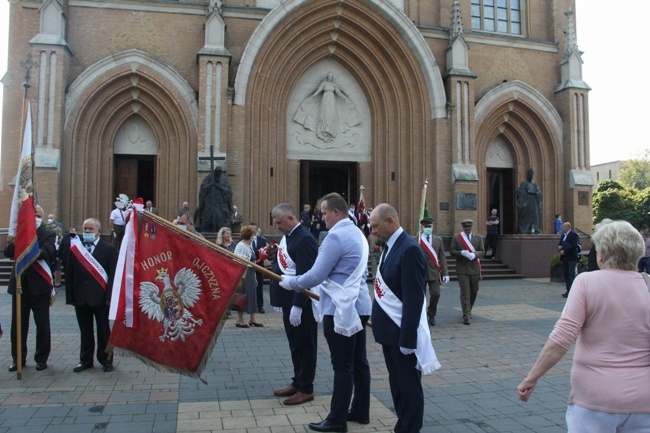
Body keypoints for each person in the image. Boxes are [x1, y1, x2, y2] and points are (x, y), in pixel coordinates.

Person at [517, 220, 650, 433]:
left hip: (595, 397)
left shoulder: (586, 282)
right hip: (643, 401)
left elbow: (561, 340)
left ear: (601, 254)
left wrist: (532, 377)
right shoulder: (647, 284)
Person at [279, 192, 371, 433]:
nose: (321, 218)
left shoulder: (335, 237)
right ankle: (361, 410)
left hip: (340, 308)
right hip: (359, 304)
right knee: (359, 361)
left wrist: (293, 283)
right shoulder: (358, 233)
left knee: (342, 365)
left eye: (323, 213)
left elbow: (317, 275)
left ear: (335, 213)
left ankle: (337, 419)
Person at [370, 204, 441, 433]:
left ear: (390, 222)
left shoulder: (409, 249)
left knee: (409, 387)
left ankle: (410, 428)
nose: (373, 231)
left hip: (403, 335)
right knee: (397, 385)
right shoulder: (389, 246)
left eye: (375, 226)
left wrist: (408, 340)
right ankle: (402, 425)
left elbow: (413, 299)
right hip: (390, 333)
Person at [269, 203, 319, 406]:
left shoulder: (305, 239)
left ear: (291, 218)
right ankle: (298, 382)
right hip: (288, 302)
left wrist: (299, 304)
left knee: (305, 345)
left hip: (301, 304)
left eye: (279, 223)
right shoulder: (289, 237)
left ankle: (306, 388)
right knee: (295, 345)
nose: (277, 227)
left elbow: (305, 276)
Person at [4, 205, 56, 372]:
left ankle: (41, 358)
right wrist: (17, 238)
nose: (35, 217)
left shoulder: (48, 234)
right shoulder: (19, 232)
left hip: (39, 285)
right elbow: (8, 252)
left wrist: (27, 245)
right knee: (18, 325)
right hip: (20, 285)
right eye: (32, 215)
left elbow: (46, 252)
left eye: (38, 215)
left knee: (42, 324)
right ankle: (18, 358)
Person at [65, 218, 118, 372]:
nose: (87, 232)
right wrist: (71, 297)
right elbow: (70, 274)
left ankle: (106, 360)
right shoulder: (76, 249)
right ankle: (85, 360)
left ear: (99, 232)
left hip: (101, 299)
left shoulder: (109, 249)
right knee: (85, 331)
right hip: (81, 297)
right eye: (85, 229)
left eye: (90, 229)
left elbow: (113, 275)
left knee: (103, 331)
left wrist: (110, 297)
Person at [293, 72, 361, 142]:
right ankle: (323, 130)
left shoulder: (334, 85)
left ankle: (331, 131)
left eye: (331, 76)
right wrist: (314, 95)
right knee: (324, 113)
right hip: (325, 99)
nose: (330, 77)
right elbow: (319, 90)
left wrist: (344, 98)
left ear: (332, 77)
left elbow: (338, 92)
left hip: (332, 100)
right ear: (328, 77)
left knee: (331, 114)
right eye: (329, 76)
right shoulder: (324, 84)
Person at [450, 219, 485, 325]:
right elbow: (452, 251)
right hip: (462, 269)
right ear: (463, 228)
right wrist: (461, 253)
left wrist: (475, 255)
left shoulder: (478, 238)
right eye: (465, 228)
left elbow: (482, 251)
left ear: (472, 228)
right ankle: (466, 315)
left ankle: (469, 309)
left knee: (474, 291)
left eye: (469, 228)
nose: (467, 230)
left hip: (474, 268)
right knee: (465, 292)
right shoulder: (457, 238)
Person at [419, 217, 449, 327]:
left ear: (433, 227)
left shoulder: (438, 240)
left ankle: (431, 314)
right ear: (421, 227)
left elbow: (442, 257)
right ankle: (421, 315)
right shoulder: (416, 239)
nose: (428, 228)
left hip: (434, 271)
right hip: (420, 272)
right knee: (420, 296)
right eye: (426, 226)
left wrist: (445, 273)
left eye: (429, 226)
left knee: (436, 294)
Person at [233, 225, 263, 328]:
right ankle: (240, 320)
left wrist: (254, 277)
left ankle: (252, 318)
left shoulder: (249, 246)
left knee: (252, 295)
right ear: (249, 235)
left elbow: (253, 261)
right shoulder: (240, 245)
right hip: (243, 274)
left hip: (250, 273)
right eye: (253, 235)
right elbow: (239, 260)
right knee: (242, 296)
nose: (254, 237)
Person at [196, 166, 233, 232]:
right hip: (209, 203)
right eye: (217, 172)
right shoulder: (209, 177)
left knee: (221, 223)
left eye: (219, 172)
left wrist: (220, 187)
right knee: (207, 222)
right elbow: (203, 188)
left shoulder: (224, 179)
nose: (218, 174)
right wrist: (211, 184)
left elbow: (228, 190)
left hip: (220, 204)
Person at [516, 168, 543, 234]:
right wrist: (528, 193)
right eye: (530, 174)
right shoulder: (524, 183)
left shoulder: (534, 184)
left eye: (532, 174)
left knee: (535, 217)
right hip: (526, 205)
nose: (531, 175)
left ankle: (535, 229)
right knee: (525, 218)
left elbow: (539, 192)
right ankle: (525, 229)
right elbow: (520, 192)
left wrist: (536, 193)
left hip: (533, 205)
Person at [249, 222, 268, 314]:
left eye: (254, 229)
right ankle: (248, 306)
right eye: (251, 229)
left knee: (259, 286)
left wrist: (266, 254)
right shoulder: (244, 239)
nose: (253, 231)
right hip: (248, 266)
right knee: (248, 287)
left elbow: (266, 253)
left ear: (257, 230)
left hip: (259, 266)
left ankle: (260, 306)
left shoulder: (262, 240)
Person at [558, 222, 580, 298]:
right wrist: (559, 247)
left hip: (571, 257)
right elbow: (560, 243)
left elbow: (574, 245)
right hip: (564, 258)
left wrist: (565, 250)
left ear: (568, 227)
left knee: (571, 275)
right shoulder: (563, 235)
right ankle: (568, 290)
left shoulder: (573, 235)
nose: (562, 228)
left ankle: (572, 291)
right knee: (566, 274)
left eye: (563, 227)